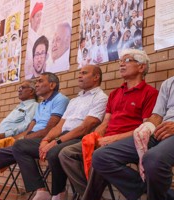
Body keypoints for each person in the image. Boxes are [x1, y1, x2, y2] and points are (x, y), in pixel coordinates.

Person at [59, 48, 159, 199]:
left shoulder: (150, 93)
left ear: (141, 67)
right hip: (107, 139)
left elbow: (145, 129)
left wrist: (112, 139)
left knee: (99, 156)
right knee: (67, 153)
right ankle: (92, 195)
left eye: (127, 61)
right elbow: (105, 122)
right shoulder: (114, 93)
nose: (121, 65)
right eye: (120, 62)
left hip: (127, 140)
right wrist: (95, 137)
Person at [92, 38, 174, 200]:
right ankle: (160, 195)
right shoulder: (169, 83)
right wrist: (145, 128)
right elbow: (156, 116)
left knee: (153, 159)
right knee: (101, 156)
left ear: (142, 67)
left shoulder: (148, 92)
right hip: (162, 132)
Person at [12, 65, 108, 200]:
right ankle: (41, 191)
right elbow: (59, 126)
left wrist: (55, 142)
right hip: (61, 137)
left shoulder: (101, 98)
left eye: (84, 73)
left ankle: (59, 193)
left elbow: (85, 128)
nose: (79, 76)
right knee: (20, 146)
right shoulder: (75, 100)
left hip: (78, 138)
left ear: (96, 77)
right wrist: (46, 139)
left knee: (54, 151)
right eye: (79, 73)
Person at [0, 72, 69, 182]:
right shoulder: (42, 104)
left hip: (42, 140)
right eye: (36, 82)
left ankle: (40, 191)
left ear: (52, 85)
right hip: (29, 139)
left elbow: (49, 129)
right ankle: (40, 191)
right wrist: (17, 138)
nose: (37, 84)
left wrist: (21, 138)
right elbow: (29, 129)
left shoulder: (60, 100)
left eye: (40, 81)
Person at [0, 80, 38, 149]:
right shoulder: (20, 106)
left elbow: (27, 125)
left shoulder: (33, 105)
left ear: (31, 91)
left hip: (4, 139)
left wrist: (6, 134)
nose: (19, 90)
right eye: (19, 88)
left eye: (22, 88)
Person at [25, 2, 43, 79]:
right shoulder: (29, 38)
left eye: (41, 16)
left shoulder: (39, 36)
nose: (40, 19)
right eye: (37, 16)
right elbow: (29, 60)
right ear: (31, 19)